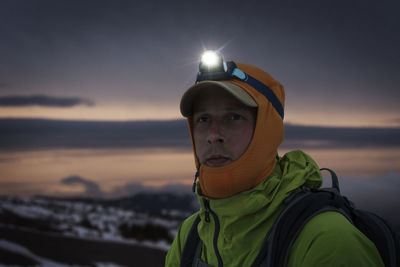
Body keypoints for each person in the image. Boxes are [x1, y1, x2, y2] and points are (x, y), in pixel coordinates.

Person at [165, 51, 384, 266]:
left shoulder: (327, 241)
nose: (214, 135)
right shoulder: (190, 237)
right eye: (203, 119)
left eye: (233, 117)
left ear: (267, 130)